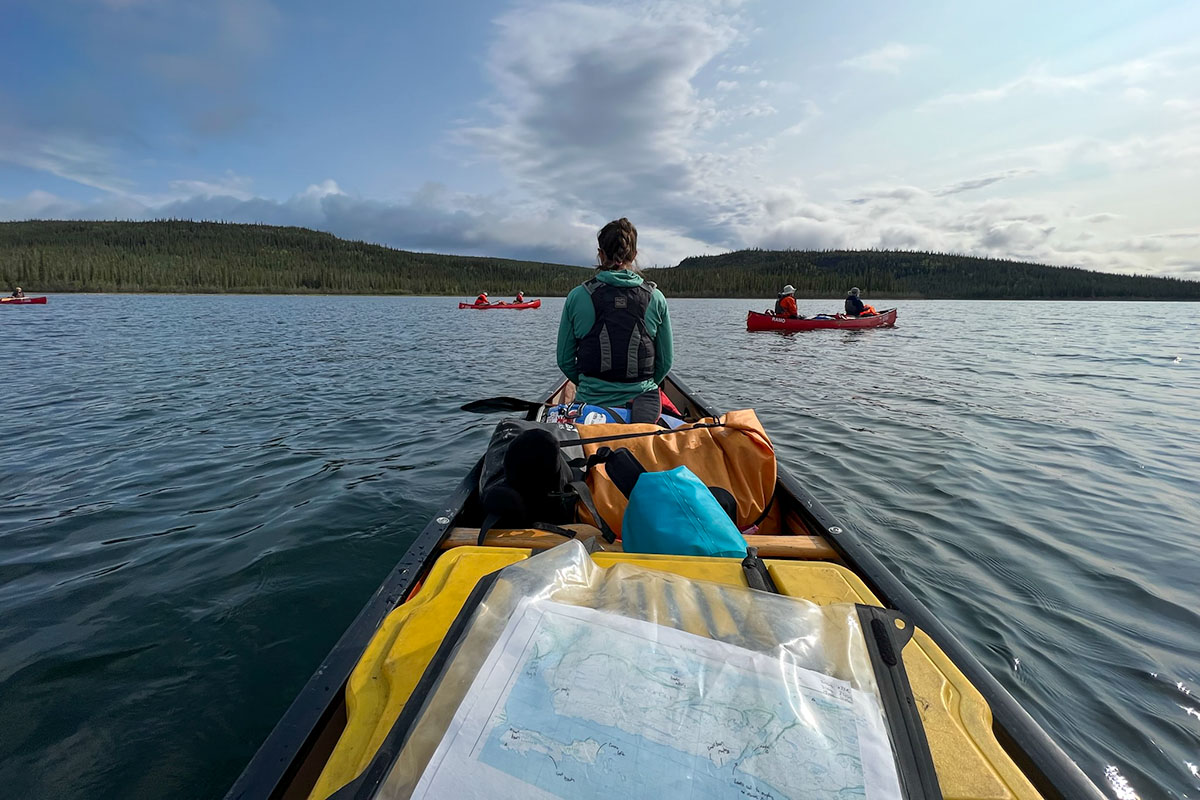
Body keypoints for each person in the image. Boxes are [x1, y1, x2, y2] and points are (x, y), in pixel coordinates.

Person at [557, 218, 673, 424]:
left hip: (590, 404)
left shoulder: (577, 296)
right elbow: (664, 363)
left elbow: (565, 360)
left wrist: (589, 385)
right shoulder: (656, 298)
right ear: (634, 255)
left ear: (601, 254)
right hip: (642, 406)